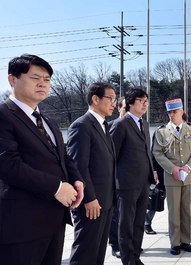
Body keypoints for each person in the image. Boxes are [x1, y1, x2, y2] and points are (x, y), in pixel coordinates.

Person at [0, 54, 84, 264]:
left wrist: (77, 181)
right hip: (21, 224)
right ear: (12, 79)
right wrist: (57, 187)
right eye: (35, 77)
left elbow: (64, 156)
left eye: (47, 79)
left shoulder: (48, 120)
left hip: (54, 220)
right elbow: (8, 165)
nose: (42, 84)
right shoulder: (3, 115)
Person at [66, 82, 117, 265]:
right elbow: (78, 166)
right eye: (110, 98)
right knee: (85, 253)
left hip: (106, 201)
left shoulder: (104, 126)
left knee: (98, 253)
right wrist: (89, 198)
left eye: (115, 99)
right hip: (91, 203)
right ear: (95, 99)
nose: (113, 103)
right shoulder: (82, 126)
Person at [110, 89, 155, 265]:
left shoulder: (144, 123)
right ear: (129, 103)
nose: (145, 103)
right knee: (126, 225)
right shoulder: (120, 124)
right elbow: (111, 156)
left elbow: (147, 152)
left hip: (143, 182)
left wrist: (152, 173)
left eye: (146, 100)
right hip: (126, 185)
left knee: (138, 224)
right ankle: (128, 261)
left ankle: (136, 257)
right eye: (140, 100)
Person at [152, 98, 191, 255]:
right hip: (171, 177)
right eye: (169, 112)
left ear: (182, 111)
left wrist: (188, 167)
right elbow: (157, 153)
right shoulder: (161, 132)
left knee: (186, 209)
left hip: (188, 176)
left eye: (174, 112)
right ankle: (175, 242)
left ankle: (185, 240)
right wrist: (172, 168)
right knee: (174, 211)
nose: (171, 115)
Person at [144, 112, 191, 235]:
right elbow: (154, 153)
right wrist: (153, 170)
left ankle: (186, 225)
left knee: (182, 202)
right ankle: (147, 223)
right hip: (163, 171)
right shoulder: (161, 132)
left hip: (182, 174)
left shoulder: (188, 131)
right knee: (157, 196)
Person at [108, 96, 126, 258]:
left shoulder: (137, 126)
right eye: (125, 108)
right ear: (119, 108)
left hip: (130, 180)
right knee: (115, 215)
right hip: (115, 178)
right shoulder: (112, 126)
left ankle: (127, 244)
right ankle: (115, 244)